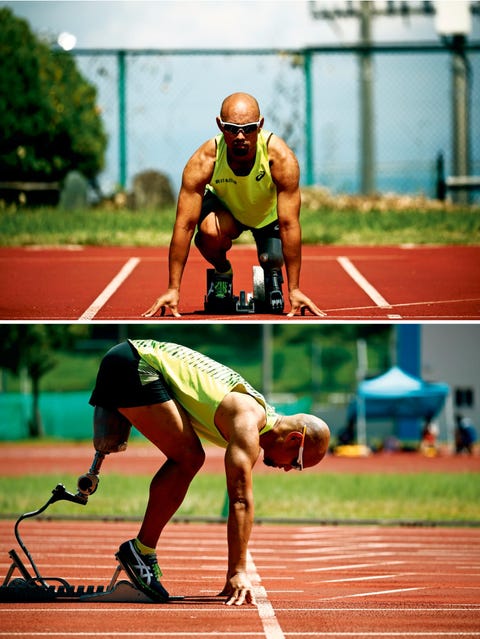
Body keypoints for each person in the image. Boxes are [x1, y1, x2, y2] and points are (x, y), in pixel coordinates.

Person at [89, 339, 330, 606]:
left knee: (190, 457)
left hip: (131, 358)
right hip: (134, 362)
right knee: (189, 458)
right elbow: (239, 499)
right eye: (296, 463)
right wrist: (237, 571)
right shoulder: (248, 422)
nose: (288, 469)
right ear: (294, 440)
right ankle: (140, 551)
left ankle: (141, 551)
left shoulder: (254, 412)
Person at [143, 92, 325, 318]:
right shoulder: (204, 160)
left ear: (260, 126)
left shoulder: (280, 158)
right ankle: (223, 271)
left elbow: (289, 224)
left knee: (271, 259)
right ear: (220, 125)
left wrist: (294, 288)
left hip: (266, 217)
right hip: (227, 213)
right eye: (232, 128)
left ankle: (271, 272)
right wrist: (173, 288)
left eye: (248, 128)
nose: (240, 135)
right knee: (207, 232)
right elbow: (185, 225)